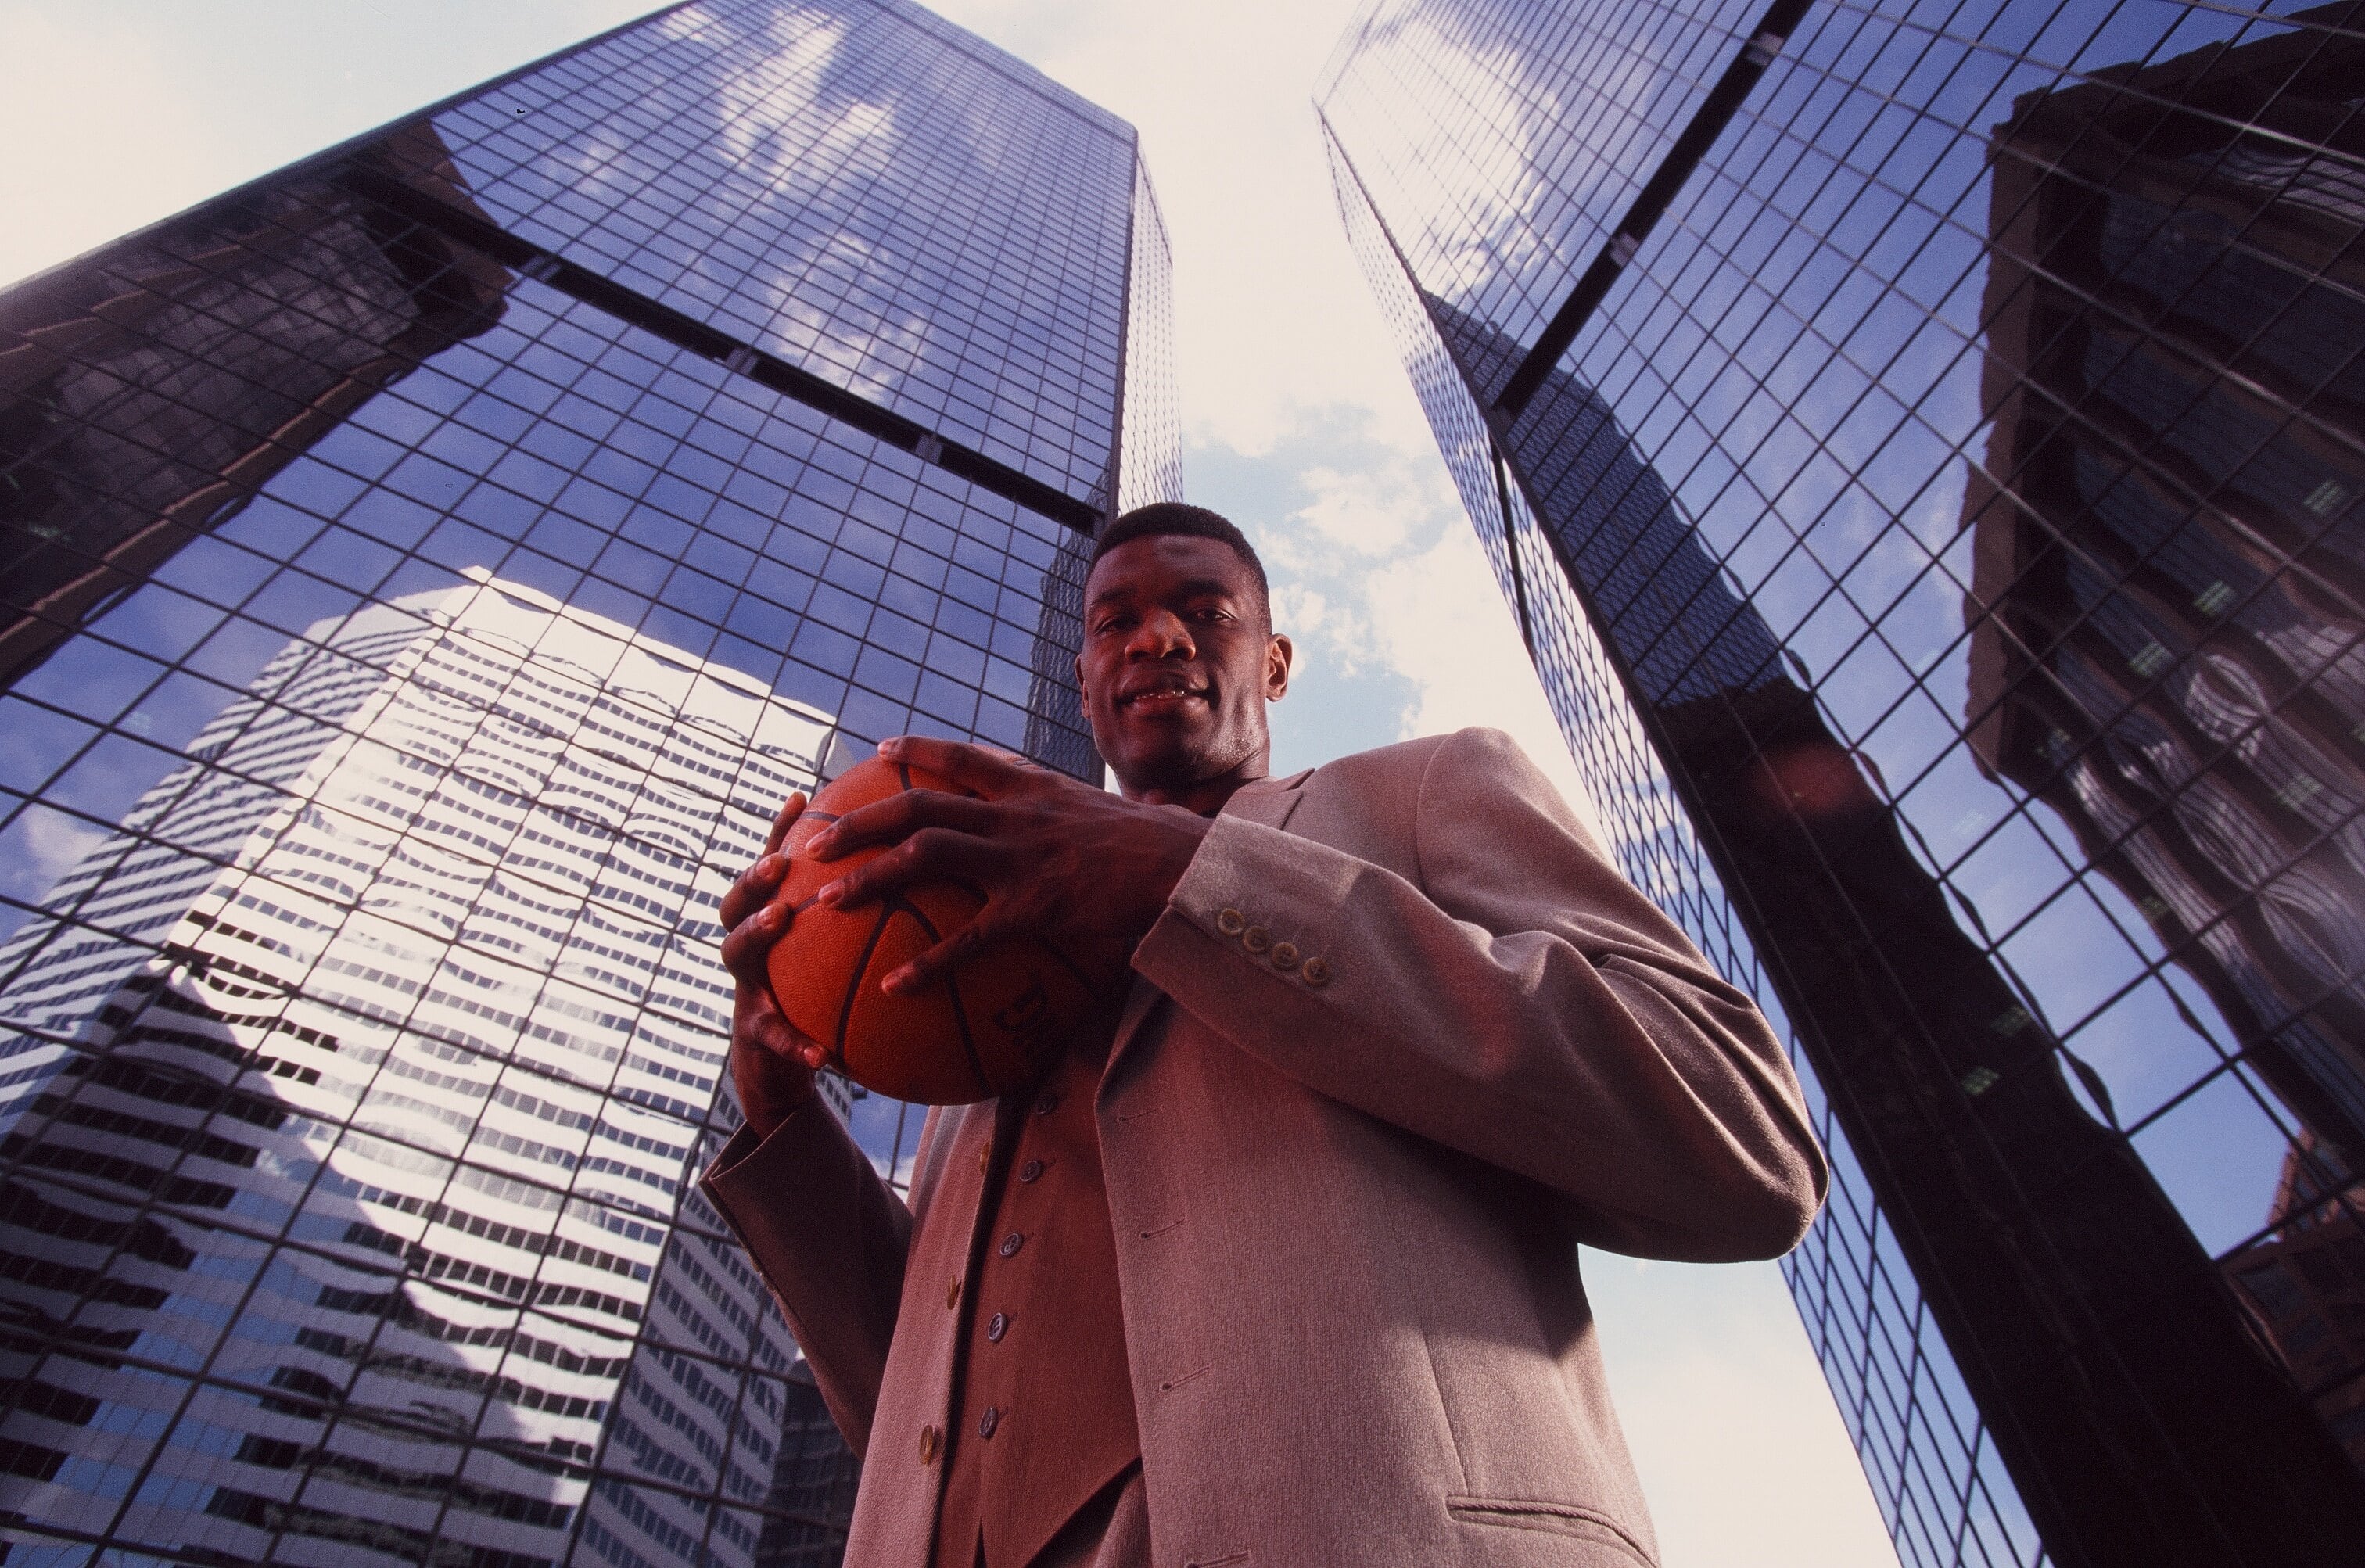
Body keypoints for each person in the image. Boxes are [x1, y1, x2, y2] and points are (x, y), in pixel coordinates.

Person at [707, 501, 1826, 1568]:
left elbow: (1741, 1129)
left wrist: (1180, 875)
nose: (1155, 635)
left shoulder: (1421, 792)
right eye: (1113, 622)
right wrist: (782, 1117)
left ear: (1275, 664)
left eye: (1205, 608)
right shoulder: (968, 1009)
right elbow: (915, 1422)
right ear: (1086, 686)